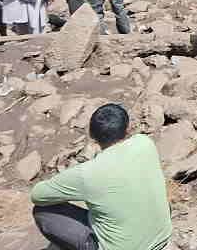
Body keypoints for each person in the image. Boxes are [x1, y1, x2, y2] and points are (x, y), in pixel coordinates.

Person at [30, 103, 172, 250]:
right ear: (127, 128)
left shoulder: (87, 173)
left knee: (42, 212)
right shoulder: (145, 143)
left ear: (92, 136)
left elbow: (37, 195)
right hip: (161, 237)